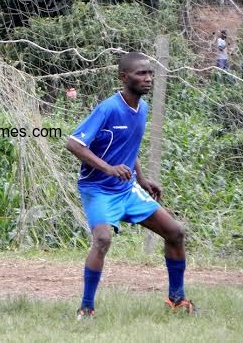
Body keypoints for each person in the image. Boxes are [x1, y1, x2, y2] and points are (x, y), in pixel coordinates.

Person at [66, 52, 194, 319]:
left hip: (127, 190)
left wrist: (142, 179)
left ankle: (177, 299)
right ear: (124, 77)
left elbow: (128, 147)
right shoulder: (108, 109)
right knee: (102, 240)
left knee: (176, 232)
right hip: (98, 189)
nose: (148, 78)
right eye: (141, 73)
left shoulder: (142, 109)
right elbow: (74, 144)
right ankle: (86, 308)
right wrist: (109, 169)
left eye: (149, 73)